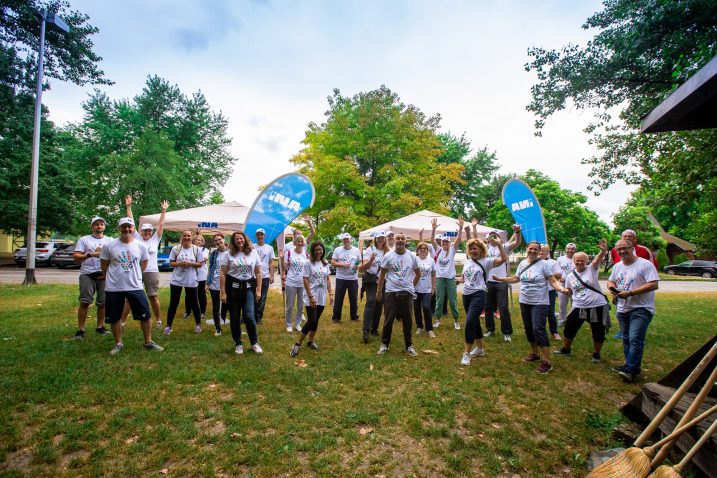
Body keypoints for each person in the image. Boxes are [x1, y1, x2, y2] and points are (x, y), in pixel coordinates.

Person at [493, 241, 570, 374]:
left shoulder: (544, 264)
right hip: (524, 301)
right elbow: (516, 278)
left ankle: (547, 361)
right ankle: (535, 353)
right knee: (529, 329)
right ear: (526, 249)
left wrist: (561, 288)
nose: (533, 251)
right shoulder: (522, 263)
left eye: (536, 249)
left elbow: (552, 280)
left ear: (539, 251)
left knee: (538, 329)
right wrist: (501, 279)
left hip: (540, 302)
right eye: (531, 249)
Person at [100, 217, 163, 355]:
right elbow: (104, 266)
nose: (127, 229)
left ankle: (148, 342)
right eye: (124, 227)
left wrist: (135, 274)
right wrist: (113, 277)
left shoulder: (140, 246)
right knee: (115, 317)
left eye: (130, 227)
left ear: (134, 229)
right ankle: (118, 343)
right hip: (114, 287)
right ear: (119, 228)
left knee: (145, 315)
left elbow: (144, 263)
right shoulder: (109, 246)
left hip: (135, 287)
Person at [608, 239, 659, 383]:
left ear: (632, 248)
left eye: (625, 248)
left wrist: (630, 293)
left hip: (641, 308)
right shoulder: (617, 266)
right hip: (623, 308)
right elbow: (611, 281)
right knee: (626, 339)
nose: (622, 251)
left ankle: (631, 369)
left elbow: (653, 284)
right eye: (619, 249)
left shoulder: (645, 264)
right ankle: (629, 366)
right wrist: (613, 290)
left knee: (635, 338)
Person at [553, 240, 609, 363]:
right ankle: (566, 349)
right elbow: (569, 289)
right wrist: (564, 290)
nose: (579, 262)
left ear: (586, 261)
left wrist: (603, 251)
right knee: (569, 327)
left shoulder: (591, 269)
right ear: (574, 261)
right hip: (578, 306)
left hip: (596, 305)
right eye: (577, 260)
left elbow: (597, 260)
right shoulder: (570, 276)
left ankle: (596, 354)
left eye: (582, 260)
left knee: (598, 330)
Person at [459, 237, 507, 365]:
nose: (472, 251)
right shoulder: (467, 261)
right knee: (474, 322)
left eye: (475, 248)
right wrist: (457, 280)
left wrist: (499, 245)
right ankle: (480, 349)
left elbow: (503, 259)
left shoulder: (486, 261)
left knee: (469, 322)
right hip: (466, 295)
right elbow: (465, 278)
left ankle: (466, 353)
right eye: (470, 248)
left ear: (481, 249)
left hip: (479, 294)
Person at [122, 196, 169, 329]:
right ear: (140, 231)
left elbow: (161, 225)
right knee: (129, 297)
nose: (147, 232)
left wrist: (163, 211)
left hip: (151, 271)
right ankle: (122, 321)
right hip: (136, 271)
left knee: (153, 297)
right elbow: (130, 221)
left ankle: (159, 320)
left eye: (149, 230)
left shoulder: (155, 239)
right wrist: (129, 207)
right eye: (145, 230)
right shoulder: (136, 237)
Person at [376, 233, 421, 356]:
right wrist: (379, 291)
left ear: (406, 241)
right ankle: (384, 344)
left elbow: (418, 273)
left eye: (402, 238)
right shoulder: (388, 256)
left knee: (408, 321)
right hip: (391, 292)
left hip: (407, 293)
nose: (400, 240)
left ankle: (409, 346)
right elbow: (382, 275)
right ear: (394, 241)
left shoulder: (412, 256)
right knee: (388, 320)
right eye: (398, 239)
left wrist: (411, 285)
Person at [220, 231, 263, 355]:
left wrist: (259, 289)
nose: (239, 241)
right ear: (233, 241)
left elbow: (258, 272)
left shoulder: (253, 252)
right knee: (234, 317)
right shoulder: (228, 254)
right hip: (233, 289)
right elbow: (223, 273)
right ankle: (238, 343)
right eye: (237, 239)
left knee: (249, 316)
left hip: (249, 288)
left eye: (241, 238)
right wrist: (223, 293)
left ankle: (254, 343)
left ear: (245, 239)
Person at [72, 216, 113, 339]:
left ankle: (100, 327)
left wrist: (106, 272)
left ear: (104, 227)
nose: (99, 226)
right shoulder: (84, 240)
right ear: (92, 226)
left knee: (103, 303)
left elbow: (115, 257)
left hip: (104, 275)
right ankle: (80, 330)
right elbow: (76, 256)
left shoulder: (110, 240)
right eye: (96, 224)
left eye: (101, 224)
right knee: (85, 302)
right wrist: (89, 254)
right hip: (87, 274)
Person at [290, 241, 334, 357]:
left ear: (323, 250)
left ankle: (310, 341)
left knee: (316, 320)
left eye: (320, 249)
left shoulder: (325, 263)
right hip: (311, 294)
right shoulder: (307, 263)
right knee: (312, 319)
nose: (318, 251)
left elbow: (328, 279)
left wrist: (330, 294)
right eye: (316, 250)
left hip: (321, 295)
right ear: (312, 251)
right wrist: (310, 297)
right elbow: (305, 280)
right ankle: (297, 344)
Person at [482, 224, 522, 342]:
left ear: (499, 237)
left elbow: (517, 243)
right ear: (488, 238)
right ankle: (490, 330)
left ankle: (507, 332)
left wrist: (518, 232)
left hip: (501, 282)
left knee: (503, 307)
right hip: (488, 281)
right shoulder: (485, 248)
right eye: (491, 236)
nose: (493, 238)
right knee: (488, 307)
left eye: (495, 235)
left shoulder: (504, 246)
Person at [163, 230, 204, 335]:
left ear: (191, 237)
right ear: (182, 237)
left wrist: (190, 263)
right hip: (176, 280)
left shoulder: (197, 250)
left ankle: (198, 324)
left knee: (194, 302)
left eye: (188, 236)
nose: (186, 237)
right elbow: (171, 263)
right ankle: (168, 326)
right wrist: (180, 263)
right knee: (173, 303)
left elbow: (200, 264)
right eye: (184, 236)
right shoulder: (175, 249)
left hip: (191, 280)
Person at [433, 218, 465, 330]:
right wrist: (433, 229)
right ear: (441, 243)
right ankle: (437, 319)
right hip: (440, 278)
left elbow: (459, 239)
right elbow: (432, 241)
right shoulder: (438, 250)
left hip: (450, 278)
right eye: (443, 242)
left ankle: (456, 320)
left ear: (450, 243)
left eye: (447, 241)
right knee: (439, 300)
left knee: (452, 300)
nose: (445, 243)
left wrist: (460, 228)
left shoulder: (452, 250)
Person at [359, 231, 390, 343]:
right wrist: (371, 260)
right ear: (375, 239)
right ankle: (366, 330)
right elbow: (363, 267)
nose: (381, 239)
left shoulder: (388, 251)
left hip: (383, 281)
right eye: (379, 238)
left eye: (382, 237)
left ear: (385, 239)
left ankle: (374, 328)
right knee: (370, 301)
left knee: (379, 304)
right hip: (371, 280)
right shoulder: (369, 250)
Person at [331, 233, 361, 323]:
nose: (346, 241)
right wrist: (342, 264)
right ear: (342, 240)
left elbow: (359, 261)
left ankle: (354, 316)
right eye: (344, 239)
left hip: (353, 278)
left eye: (348, 239)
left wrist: (358, 266)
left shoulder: (356, 250)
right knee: (339, 298)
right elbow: (332, 262)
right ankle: (336, 317)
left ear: (351, 239)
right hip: (341, 278)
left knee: (353, 298)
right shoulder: (338, 250)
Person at [283, 234, 309, 332]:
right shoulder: (289, 253)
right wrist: (282, 258)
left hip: (302, 283)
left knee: (300, 305)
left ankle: (297, 324)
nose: (299, 243)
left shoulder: (306, 254)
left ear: (304, 243)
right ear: (295, 242)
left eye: (301, 241)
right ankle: (289, 324)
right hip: (291, 282)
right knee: (290, 305)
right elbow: (285, 267)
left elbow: (308, 268)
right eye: (298, 241)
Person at [182, 234, 209, 321]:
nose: (199, 241)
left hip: (201, 274)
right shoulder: (189, 248)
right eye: (197, 239)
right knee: (189, 293)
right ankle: (188, 311)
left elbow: (205, 258)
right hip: (190, 273)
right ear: (193, 240)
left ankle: (202, 312)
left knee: (201, 293)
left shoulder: (205, 249)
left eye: (201, 240)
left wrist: (191, 261)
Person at [207, 233, 229, 336]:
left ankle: (234, 326)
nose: (218, 242)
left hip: (228, 283)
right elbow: (210, 268)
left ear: (223, 239)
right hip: (214, 283)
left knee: (230, 306)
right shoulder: (213, 254)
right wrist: (207, 283)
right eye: (215, 241)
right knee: (216, 307)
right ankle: (218, 328)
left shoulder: (231, 252)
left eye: (219, 239)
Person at [539, 244, 563, 340]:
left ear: (548, 252)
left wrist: (548, 275)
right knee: (539, 311)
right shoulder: (533, 261)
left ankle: (554, 332)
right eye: (540, 250)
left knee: (550, 312)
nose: (541, 252)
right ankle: (539, 330)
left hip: (550, 290)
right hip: (537, 291)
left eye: (543, 251)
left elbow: (558, 275)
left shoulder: (553, 262)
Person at [413, 241, 436, 338]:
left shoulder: (431, 260)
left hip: (427, 289)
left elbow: (433, 275)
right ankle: (419, 326)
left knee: (426, 307)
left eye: (424, 248)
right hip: (415, 288)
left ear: (427, 251)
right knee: (416, 308)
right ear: (417, 250)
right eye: (420, 248)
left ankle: (429, 329)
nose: (422, 250)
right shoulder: (414, 259)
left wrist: (433, 287)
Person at [254, 228, 275, 325]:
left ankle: (258, 317)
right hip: (253, 276)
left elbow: (271, 262)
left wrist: (272, 275)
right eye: (258, 234)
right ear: (256, 236)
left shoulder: (269, 248)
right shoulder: (252, 247)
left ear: (264, 236)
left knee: (262, 297)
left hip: (265, 276)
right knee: (252, 296)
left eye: (261, 234)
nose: (260, 236)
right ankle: (250, 315)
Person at [556, 243, 577, 327]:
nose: (570, 250)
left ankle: (573, 320)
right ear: (565, 249)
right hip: (563, 285)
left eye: (572, 249)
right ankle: (561, 320)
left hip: (575, 286)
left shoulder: (577, 258)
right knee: (562, 304)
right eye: (568, 248)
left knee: (575, 304)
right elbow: (557, 270)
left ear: (575, 250)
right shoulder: (560, 259)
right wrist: (560, 277)